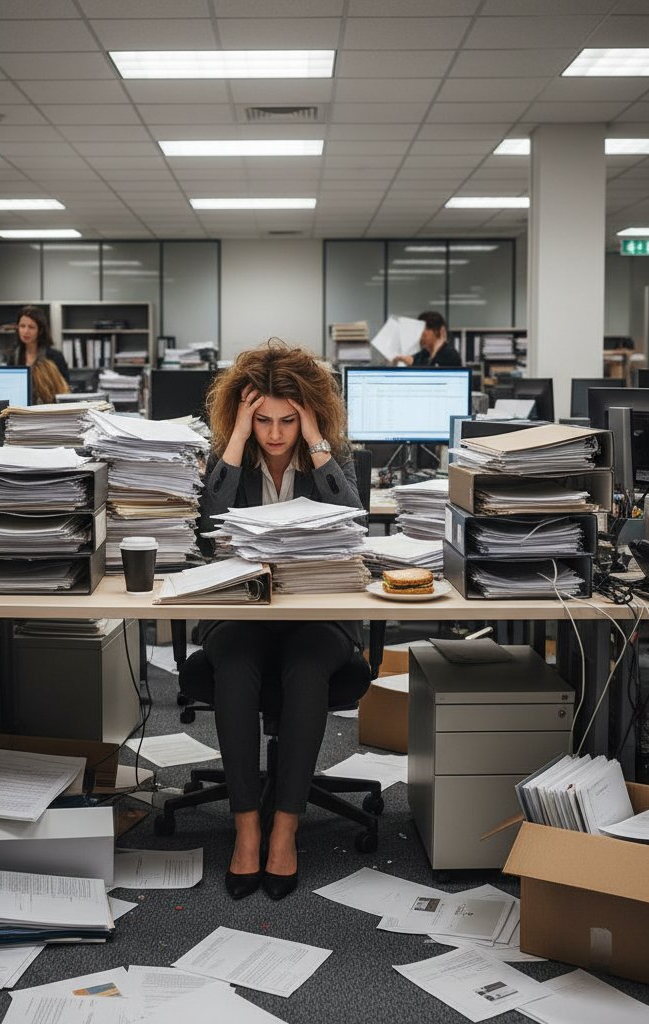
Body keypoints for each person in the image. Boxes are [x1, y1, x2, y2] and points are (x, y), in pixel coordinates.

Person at [198, 340, 362, 902]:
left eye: (287, 420)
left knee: (306, 668)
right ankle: (246, 828)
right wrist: (235, 436)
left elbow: (352, 511)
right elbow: (205, 518)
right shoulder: (232, 455)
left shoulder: (329, 453)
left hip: (317, 613)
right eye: (262, 420)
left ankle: (285, 829)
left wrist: (316, 440)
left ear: (307, 415)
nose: (274, 433)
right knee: (237, 665)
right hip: (241, 610)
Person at [10, 305, 71, 404]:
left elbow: (65, 391)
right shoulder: (13, 356)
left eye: (31, 327)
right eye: (22, 326)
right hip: (20, 408)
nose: (26, 331)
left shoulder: (55, 357)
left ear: (40, 330)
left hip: (49, 409)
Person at [392, 310, 462, 368]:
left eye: (423, 332)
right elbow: (415, 363)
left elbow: (433, 376)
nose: (420, 336)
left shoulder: (450, 355)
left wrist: (436, 349)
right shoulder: (424, 354)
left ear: (436, 331)